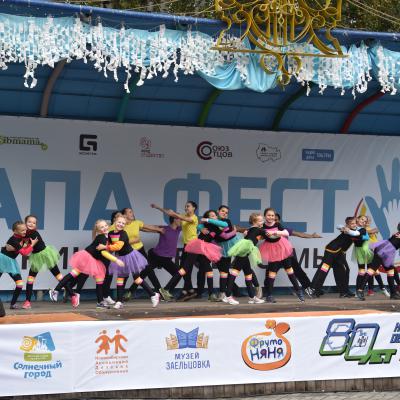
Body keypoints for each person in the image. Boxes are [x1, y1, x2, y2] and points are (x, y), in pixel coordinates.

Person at [49, 219, 123, 309]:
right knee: (74, 273)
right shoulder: (102, 238)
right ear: (98, 230)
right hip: (87, 257)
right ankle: (55, 290)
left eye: (105, 226)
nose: (104, 228)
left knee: (99, 280)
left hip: (95, 260)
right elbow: (104, 253)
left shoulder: (107, 236)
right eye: (101, 227)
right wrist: (116, 260)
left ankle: (100, 302)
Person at [159, 210, 224, 301]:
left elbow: (224, 228)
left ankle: (211, 294)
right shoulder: (207, 224)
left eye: (215, 215)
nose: (215, 217)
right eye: (212, 216)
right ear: (208, 218)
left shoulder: (216, 228)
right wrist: (202, 226)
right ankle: (165, 289)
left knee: (209, 270)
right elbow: (199, 224)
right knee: (185, 269)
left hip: (203, 250)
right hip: (197, 247)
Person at [99, 214, 160, 309]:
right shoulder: (110, 233)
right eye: (119, 222)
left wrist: (104, 247)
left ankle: (153, 295)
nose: (121, 224)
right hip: (121, 258)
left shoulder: (123, 234)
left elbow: (118, 247)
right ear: (115, 222)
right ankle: (119, 301)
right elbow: (110, 245)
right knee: (120, 279)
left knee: (137, 279)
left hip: (131, 257)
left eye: (123, 223)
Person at [150, 201, 199, 301]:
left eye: (188, 206)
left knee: (183, 269)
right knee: (184, 270)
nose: (186, 208)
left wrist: (174, 214)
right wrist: (158, 207)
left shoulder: (194, 218)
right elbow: (172, 215)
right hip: (186, 246)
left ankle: (167, 289)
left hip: (194, 245)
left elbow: (177, 216)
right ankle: (189, 291)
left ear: (194, 208)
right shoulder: (183, 217)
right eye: (185, 206)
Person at [15, 215, 63, 310]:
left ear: (36, 225)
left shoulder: (33, 233)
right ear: (25, 222)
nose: (31, 224)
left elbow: (25, 246)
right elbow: (23, 244)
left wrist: (19, 240)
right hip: (36, 257)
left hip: (46, 255)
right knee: (30, 279)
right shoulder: (25, 234)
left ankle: (73, 295)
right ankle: (27, 302)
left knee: (58, 276)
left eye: (34, 223)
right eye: (29, 222)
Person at [307, 217, 361, 298]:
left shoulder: (356, 231)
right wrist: (343, 228)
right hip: (331, 251)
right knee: (323, 270)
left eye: (355, 223)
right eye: (352, 223)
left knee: (342, 270)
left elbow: (356, 233)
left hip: (339, 253)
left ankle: (344, 292)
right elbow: (339, 226)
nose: (354, 225)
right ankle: (313, 289)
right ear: (347, 225)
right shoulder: (347, 229)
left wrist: (347, 229)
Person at [259, 208, 304, 303]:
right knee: (271, 273)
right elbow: (258, 235)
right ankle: (269, 295)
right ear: (265, 216)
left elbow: (286, 232)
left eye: (272, 215)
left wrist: (276, 232)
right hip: (272, 250)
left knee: (290, 271)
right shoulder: (262, 226)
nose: (271, 217)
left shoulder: (277, 224)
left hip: (282, 248)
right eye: (268, 215)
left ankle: (299, 292)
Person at [119, 207, 164, 301]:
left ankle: (159, 292)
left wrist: (158, 229)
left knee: (148, 270)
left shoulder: (137, 223)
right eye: (129, 212)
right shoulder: (121, 226)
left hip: (140, 250)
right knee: (126, 275)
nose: (132, 213)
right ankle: (122, 296)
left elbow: (147, 227)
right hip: (128, 253)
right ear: (124, 215)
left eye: (132, 212)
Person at [222, 213, 266, 305]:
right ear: (255, 222)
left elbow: (248, 235)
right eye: (261, 221)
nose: (263, 222)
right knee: (235, 273)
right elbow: (269, 234)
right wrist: (278, 233)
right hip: (244, 252)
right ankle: (228, 296)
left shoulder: (250, 230)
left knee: (248, 274)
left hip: (245, 251)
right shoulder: (258, 229)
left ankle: (251, 297)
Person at [356, 223, 400, 300]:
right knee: (372, 269)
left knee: (390, 270)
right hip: (386, 251)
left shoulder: (397, 233)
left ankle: (393, 293)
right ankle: (360, 290)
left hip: (382, 247)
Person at [1, 221, 38, 309]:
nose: (24, 232)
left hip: (11, 262)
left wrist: (27, 244)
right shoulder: (13, 240)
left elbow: (32, 233)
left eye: (25, 230)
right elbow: (24, 253)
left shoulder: (22, 237)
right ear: (15, 231)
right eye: (22, 230)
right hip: (2, 261)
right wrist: (32, 244)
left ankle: (12, 304)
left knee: (20, 284)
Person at [353, 215, 389, 299]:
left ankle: (382, 289)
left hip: (368, 251)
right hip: (359, 251)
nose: (364, 221)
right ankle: (358, 291)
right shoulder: (355, 228)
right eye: (362, 219)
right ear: (357, 219)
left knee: (374, 270)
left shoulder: (364, 229)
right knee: (361, 271)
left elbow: (368, 235)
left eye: (366, 221)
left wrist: (369, 233)